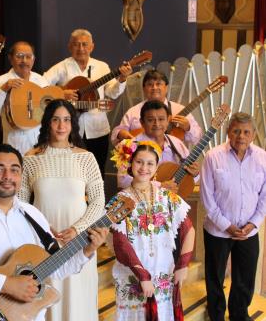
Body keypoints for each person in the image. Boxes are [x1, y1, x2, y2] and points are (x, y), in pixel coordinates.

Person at [0, 144, 109, 321]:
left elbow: (55, 268)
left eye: (14, 170)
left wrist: (86, 250)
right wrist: (6, 285)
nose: (7, 177)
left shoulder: (33, 215)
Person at [18, 99, 105, 321]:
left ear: (73, 124)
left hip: (80, 240)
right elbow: (20, 204)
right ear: (47, 122)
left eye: (66, 120)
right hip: (42, 240)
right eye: (56, 119)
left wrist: (78, 229)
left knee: (78, 296)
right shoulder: (31, 158)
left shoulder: (86, 158)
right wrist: (41, 230)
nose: (61, 126)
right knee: (46, 295)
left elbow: (97, 202)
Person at [110, 140, 195, 320]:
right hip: (132, 274)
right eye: (139, 162)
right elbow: (121, 243)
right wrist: (142, 275)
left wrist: (183, 264)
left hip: (162, 270)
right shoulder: (120, 200)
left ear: (156, 168)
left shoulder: (167, 197)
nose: (144, 168)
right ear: (130, 164)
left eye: (150, 163)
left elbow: (188, 229)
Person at [200, 112, 266, 321]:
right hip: (218, 230)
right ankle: (216, 313)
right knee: (215, 276)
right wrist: (226, 226)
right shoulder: (213, 156)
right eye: (236, 131)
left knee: (245, 277)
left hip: (249, 230)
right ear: (228, 132)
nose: (241, 136)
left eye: (246, 132)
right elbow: (207, 197)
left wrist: (253, 224)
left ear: (253, 135)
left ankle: (239, 313)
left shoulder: (263, 157)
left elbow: (264, 196)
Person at [44, 29, 132, 177]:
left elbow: (112, 92)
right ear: (69, 47)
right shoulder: (62, 67)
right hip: (68, 131)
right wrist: (61, 93)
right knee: (71, 173)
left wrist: (122, 79)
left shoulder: (102, 67)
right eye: (76, 44)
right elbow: (42, 85)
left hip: (98, 129)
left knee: (97, 172)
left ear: (92, 47)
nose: (81, 48)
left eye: (85, 44)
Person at [116, 100, 199, 190]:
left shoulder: (177, 143)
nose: (157, 124)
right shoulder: (128, 146)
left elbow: (188, 179)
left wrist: (195, 174)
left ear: (168, 120)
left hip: (172, 201)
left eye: (161, 119)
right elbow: (123, 181)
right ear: (142, 122)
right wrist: (159, 186)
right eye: (151, 120)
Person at [0, 41, 49, 155]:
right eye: (19, 56)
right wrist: (4, 89)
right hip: (15, 145)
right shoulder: (2, 81)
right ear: (10, 58)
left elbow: (48, 112)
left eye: (28, 57)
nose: (24, 61)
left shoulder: (41, 80)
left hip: (41, 145)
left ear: (33, 59)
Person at [111, 69, 202, 147]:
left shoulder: (179, 109)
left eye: (158, 84)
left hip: (171, 164)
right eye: (150, 84)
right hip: (142, 163)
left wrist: (188, 127)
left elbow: (197, 139)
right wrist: (120, 134)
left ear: (166, 87)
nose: (154, 87)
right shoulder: (133, 112)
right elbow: (116, 136)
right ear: (144, 88)